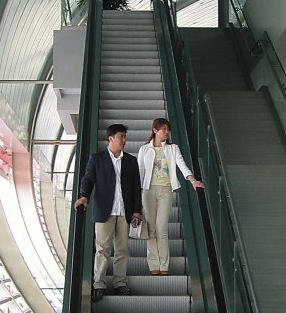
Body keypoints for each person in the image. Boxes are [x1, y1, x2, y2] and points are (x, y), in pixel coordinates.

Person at [74, 123, 142, 302]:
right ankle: (99, 284)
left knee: (122, 249)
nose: (124, 140)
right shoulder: (97, 159)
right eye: (121, 137)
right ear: (110, 139)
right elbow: (88, 179)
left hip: (124, 212)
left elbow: (136, 187)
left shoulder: (131, 161)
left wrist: (136, 210)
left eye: (125, 137)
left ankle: (120, 283)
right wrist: (83, 197)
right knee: (102, 249)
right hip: (105, 211)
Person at [137, 118, 204, 276]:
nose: (166, 133)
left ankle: (164, 266)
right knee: (151, 229)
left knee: (161, 228)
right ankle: (154, 265)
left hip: (166, 190)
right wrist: (135, 193)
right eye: (163, 129)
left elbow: (182, 165)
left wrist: (193, 180)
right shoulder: (144, 149)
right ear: (155, 130)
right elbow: (139, 171)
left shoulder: (173, 148)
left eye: (168, 130)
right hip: (148, 191)